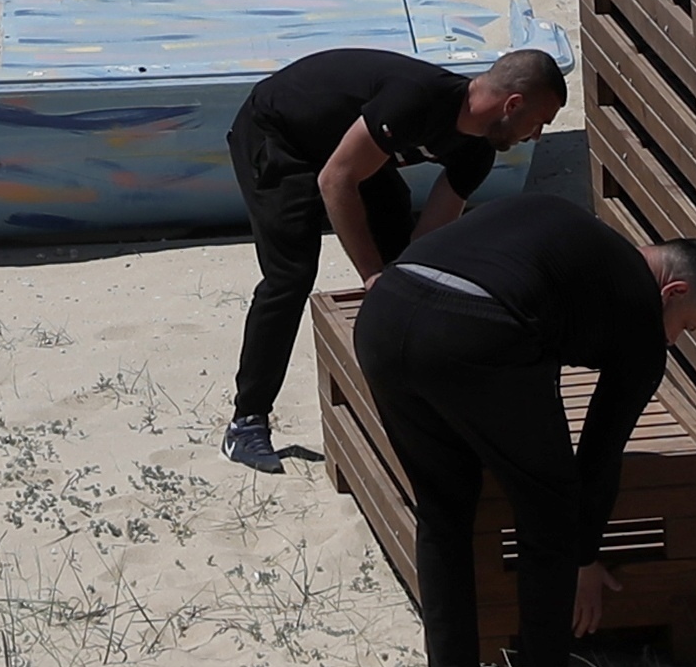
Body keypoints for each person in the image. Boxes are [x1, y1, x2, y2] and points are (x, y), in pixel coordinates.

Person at [350, 189, 696, 667]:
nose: (674, 340)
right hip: (477, 329)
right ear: (671, 292)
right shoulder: (641, 319)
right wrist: (584, 555)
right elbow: (599, 453)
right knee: (549, 510)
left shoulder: (564, 224)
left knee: (443, 506)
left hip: (385, 314)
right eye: (686, 326)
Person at [217, 43, 564, 473]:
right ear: (512, 104)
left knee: (406, 272)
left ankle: (418, 405)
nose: (536, 136)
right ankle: (247, 422)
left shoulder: (476, 151)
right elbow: (336, 180)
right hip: (278, 132)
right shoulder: (416, 99)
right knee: (291, 274)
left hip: (343, 150)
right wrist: (371, 275)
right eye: (538, 122)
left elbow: (427, 239)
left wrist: (405, 280)